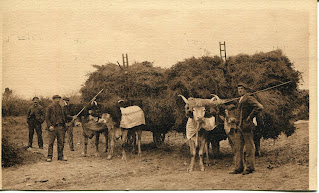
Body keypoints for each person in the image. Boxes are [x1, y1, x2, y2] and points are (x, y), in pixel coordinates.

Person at [228, 82, 263, 175]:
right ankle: (238, 168)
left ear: (245, 90)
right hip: (239, 126)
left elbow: (259, 107)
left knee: (249, 147)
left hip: (247, 126)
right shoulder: (240, 99)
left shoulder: (249, 98)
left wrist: (250, 117)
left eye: (241, 89)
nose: (240, 91)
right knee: (238, 147)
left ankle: (250, 167)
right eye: (238, 89)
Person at [45, 95, 73, 162]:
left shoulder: (61, 107)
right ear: (53, 100)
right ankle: (49, 156)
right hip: (53, 127)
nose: (58, 100)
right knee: (51, 143)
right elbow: (47, 118)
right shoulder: (50, 107)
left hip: (61, 127)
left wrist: (72, 117)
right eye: (56, 99)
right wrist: (50, 126)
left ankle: (60, 156)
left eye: (59, 99)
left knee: (61, 142)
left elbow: (65, 116)